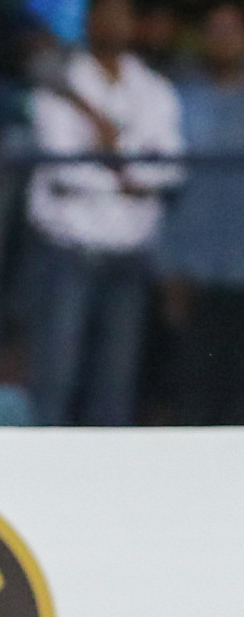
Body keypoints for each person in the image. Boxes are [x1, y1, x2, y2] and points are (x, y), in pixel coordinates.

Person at [25, 0, 183, 425]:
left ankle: (107, 486)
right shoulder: (61, 83)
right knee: (56, 376)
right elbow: (64, 164)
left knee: (115, 383)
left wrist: (109, 149)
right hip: (70, 246)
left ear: (134, 22)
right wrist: (132, 172)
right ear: (89, 21)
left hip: (129, 252)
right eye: (103, 13)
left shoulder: (154, 89)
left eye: (122, 13)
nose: (113, 22)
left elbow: (168, 169)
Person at [155, 1, 244, 425]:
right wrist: (169, 266)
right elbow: (169, 191)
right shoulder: (178, 98)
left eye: (231, 31)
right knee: (192, 390)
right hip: (194, 271)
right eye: (215, 31)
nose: (223, 41)